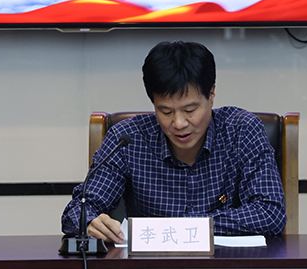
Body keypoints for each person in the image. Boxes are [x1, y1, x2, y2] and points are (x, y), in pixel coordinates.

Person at [61, 40, 287, 242]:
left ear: (211, 95)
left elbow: (270, 213)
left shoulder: (242, 130)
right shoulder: (127, 138)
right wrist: (89, 222)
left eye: (190, 110)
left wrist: (186, 228)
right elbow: (77, 211)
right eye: (166, 111)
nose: (179, 123)